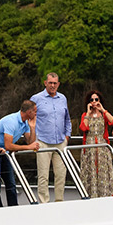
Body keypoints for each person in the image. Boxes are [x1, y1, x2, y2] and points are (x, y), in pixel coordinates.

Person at [30, 73, 71, 203]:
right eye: (50, 83)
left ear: (58, 84)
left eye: (55, 83)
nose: (53, 85)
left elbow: (67, 119)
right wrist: (33, 138)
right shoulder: (36, 98)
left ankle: (59, 202)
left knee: (61, 175)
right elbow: (30, 119)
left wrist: (67, 137)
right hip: (43, 141)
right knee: (43, 176)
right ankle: (44, 203)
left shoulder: (62, 98)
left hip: (60, 142)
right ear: (45, 83)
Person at [0, 100, 40, 207]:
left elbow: (30, 141)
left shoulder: (25, 122)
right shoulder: (11, 121)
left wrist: (32, 127)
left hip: (5, 153)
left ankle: (13, 207)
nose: (36, 114)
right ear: (28, 112)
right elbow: (8, 145)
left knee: (11, 184)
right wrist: (28, 147)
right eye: (35, 111)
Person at [80, 91, 113, 198]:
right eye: (92, 100)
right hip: (89, 147)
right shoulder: (85, 115)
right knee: (90, 173)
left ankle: (104, 195)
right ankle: (90, 195)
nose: (94, 102)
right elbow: (83, 128)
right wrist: (88, 113)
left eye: (96, 99)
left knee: (103, 172)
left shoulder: (103, 115)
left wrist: (103, 110)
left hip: (102, 147)